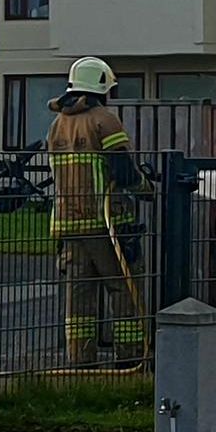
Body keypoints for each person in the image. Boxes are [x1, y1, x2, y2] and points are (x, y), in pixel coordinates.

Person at [45, 56, 149, 366]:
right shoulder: (105, 120)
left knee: (79, 298)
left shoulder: (57, 124)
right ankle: (130, 360)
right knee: (124, 289)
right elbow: (124, 172)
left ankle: (81, 362)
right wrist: (149, 188)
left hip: (68, 227)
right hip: (108, 226)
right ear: (103, 87)